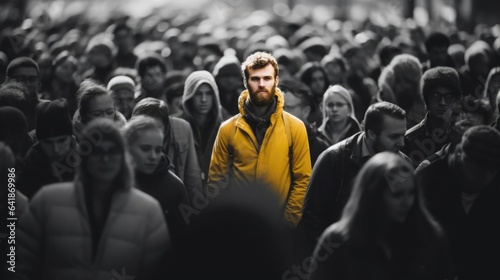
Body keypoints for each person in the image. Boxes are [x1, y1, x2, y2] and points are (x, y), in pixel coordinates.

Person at [15, 119, 169, 280]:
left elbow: (158, 272)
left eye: (112, 151)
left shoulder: (148, 211)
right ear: (84, 157)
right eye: (97, 152)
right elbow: (21, 267)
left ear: (123, 156)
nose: (105, 159)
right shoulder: (47, 202)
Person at [309, 152, 455, 280]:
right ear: (373, 196)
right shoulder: (337, 241)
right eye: (397, 195)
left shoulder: (428, 237)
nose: (407, 202)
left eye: (411, 193)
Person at [207, 51, 312, 227]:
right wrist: (227, 222)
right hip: (238, 226)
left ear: (276, 81)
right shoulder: (227, 129)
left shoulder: (295, 127)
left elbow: (303, 179)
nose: (261, 84)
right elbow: (216, 182)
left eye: (267, 78)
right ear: (245, 82)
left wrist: (287, 223)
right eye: (255, 79)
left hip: (280, 226)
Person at [300, 101, 408, 255]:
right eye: (394, 137)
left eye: (403, 135)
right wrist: (329, 259)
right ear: (371, 134)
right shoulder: (334, 159)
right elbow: (312, 214)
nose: (402, 143)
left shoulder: (402, 163)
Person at [415, 125, 500, 280]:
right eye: (477, 165)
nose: (484, 175)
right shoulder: (428, 183)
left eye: (492, 168)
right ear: (460, 153)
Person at [123, 115, 188, 241]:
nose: (153, 156)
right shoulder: (113, 181)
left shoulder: (174, 187)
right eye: (145, 149)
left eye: (158, 150)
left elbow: (182, 240)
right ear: (127, 147)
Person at [131, 97, 203, 205]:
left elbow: (192, 176)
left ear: (166, 128)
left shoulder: (175, 185)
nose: (152, 133)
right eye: (146, 128)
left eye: (157, 128)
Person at [17, 99, 77, 199]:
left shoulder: (88, 164)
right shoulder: (25, 170)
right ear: (39, 141)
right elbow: (11, 211)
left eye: (61, 141)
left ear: (71, 137)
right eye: (48, 142)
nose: (56, 149)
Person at [404, 67, 462, 167]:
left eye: (448, 97)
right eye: (436, 96)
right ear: (427, 100)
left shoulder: (463, 134)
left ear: (456, 100)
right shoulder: (409, 139)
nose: (442, 103)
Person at [177, 70, 224, 186]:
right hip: (185, 195)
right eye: (198, 93)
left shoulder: (225, 127)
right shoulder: (176, 126)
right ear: (189, 96)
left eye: (208, 93)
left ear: (215, 97)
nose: (203, 99)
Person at [281, 78, 329, 167]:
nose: (281, 112)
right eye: (279, 107)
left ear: (306, 111)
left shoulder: (319, 149)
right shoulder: (269, 140)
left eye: (287, 107)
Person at [377, 54, 426, 128]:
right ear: (393, 78)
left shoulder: (422, 104)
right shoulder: (380, 101)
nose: (407, 86)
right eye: (405, 80)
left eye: (411, 82)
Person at [5, 57, 49, 130]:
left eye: (32, 79)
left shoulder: (48, 109)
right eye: (21, 78)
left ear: (38, 82)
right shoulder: (2, 108)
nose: (27, 83)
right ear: (8, 80)